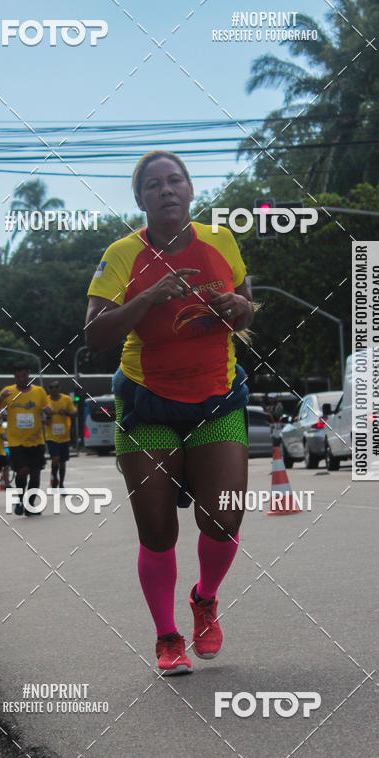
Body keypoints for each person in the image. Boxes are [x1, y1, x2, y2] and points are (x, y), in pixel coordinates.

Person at [85, 150, 254, 675]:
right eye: (153, 184)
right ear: (140, 199)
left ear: (190, 190)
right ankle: (166, 636)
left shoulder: (221, 241)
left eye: (175, 180)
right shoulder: (120, 256)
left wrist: (242, 309)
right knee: (157, 531)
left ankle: (205, 600)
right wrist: (150, 297)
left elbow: (247, 301)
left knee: (224, 518)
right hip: (147, 402)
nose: (166, 190)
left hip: (217, 397)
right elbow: (94, 335)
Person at [0, 363, 52, 517]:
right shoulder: (8, 392)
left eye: (23, 376)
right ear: (14, 377)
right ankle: (20, 499)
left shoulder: (39, 391)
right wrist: (0, 399)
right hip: (16, 441)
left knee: (36, 474)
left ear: (28, 374)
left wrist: (48, 411)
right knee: (22, 471)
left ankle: (30, 505)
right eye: (17, 377)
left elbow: (47, 408)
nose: (21, 379)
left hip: (37, 440)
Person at [45, 381, 77, 488]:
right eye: (51, 387)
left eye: (56, 387)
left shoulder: (66, 399)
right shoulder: (46, 400)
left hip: (64, 437)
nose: (54, 389)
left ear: (60, 388)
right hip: (51, 437)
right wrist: (48, 416)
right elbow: (41, 418)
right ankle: (54, 479)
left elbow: (74, 413)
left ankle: (61, 483)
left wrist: (66, 413)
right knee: (55, 459)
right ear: (49, 389)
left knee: (62, 462)